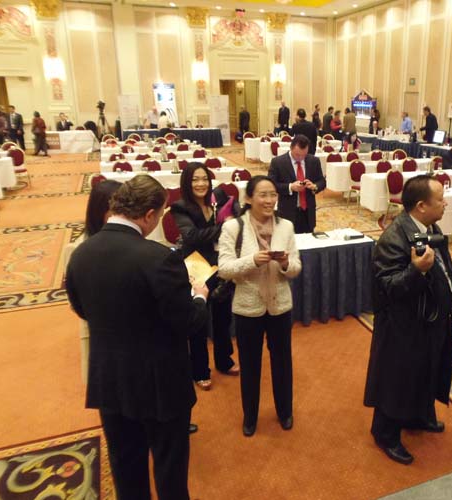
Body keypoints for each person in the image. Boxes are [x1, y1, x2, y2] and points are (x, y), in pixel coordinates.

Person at [65, 175, 209, 499]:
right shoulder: (159, 257)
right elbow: (188, 323)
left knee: (126, 471)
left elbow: (83, 310)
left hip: (110, 380)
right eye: (159, 216)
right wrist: (200, 297)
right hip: (160, 384)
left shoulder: (80, 253)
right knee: (170, 472)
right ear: (148, 215)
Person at [364, 175, 452, 465]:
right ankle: (385, 434)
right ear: (421, 206)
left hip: (427, 319)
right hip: (401, 325)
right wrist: (417, 271)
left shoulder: (428, 226)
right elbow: (389, 287)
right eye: (440, 199)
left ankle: (418, 415)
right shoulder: (393, 238)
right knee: (397, 378)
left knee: (424, 369)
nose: (445, 203)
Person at [217, 175, 301, 437]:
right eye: (263, 195)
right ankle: (250, 416)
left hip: (280, 305)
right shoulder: (233, 227)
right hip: (248, 306)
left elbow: (296, 267)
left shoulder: (285, 226)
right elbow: (224, 269)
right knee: (250, 364)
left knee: (282, 362)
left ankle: (284, 411)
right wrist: (252, 260)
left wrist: (285, 264)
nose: (269, 200)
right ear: (249, 198)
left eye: (273, 194)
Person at [171, 163, 240, 390]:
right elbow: (192, 236)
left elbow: (236, 213)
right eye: (195, 180)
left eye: (204, 179)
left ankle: (224, 360)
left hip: (221, 264)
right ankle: (200, 370)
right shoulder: (180, 207)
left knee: (223, 317)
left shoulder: (217, 198)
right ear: (186, 183)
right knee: (199, 321)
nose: (201, 184)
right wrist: (224, 227)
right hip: (198, 267)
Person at [63, 179, 122, 385]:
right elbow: (74, 301)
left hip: (131, 328)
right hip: (99, 328)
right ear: (99, 211)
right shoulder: (78, 249)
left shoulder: (130, 239)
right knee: (105, 384)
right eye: (115, 210)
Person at [268, 134, 326, 234]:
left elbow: (322, 181)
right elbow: (271, 185)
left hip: (308, 213)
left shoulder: (313, 161)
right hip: (288, 212)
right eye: (297, 155)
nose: (300, 158)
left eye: (304, 155)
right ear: (291, 148)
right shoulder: (278, 162)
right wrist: (290, 187)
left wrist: (314, 186)